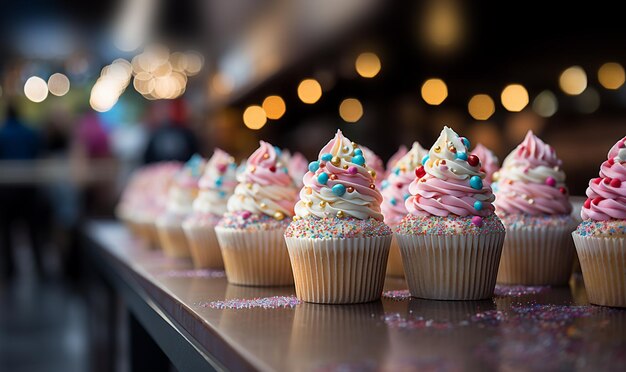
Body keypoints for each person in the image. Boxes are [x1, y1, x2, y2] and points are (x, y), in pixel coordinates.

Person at [0, 101, 44, 280]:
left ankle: (10, 270)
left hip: (6, 188)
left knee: (7, 232)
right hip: (28, 187)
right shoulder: (29, 131)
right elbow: (38, 152)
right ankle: (39, 269)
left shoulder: (2, 133)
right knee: (33, 230)